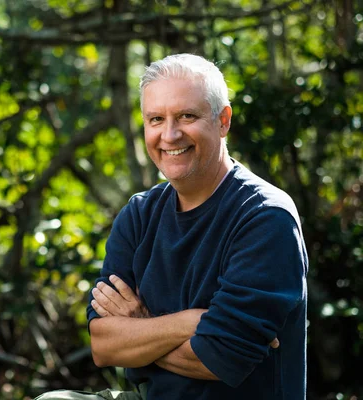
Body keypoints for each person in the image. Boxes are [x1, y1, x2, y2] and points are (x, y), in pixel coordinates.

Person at [35, 53, 308, 399]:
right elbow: (104, 345)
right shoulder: (138, 214)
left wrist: (139, 329)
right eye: (155, 119)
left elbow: (219, 358)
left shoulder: (264, 216)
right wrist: (195, 321)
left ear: (223, 120)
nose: (170, 134)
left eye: (187, 116)